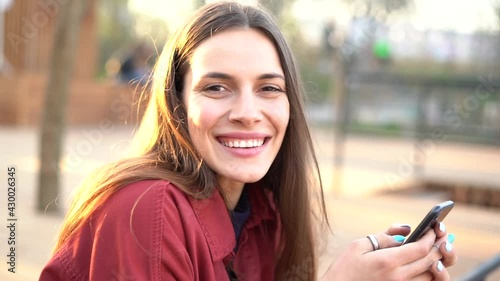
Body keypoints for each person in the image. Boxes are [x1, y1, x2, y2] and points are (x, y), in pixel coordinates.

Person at [39, 2, 457, 280]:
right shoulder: (145, 211)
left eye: (269, 88)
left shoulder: (265, 212)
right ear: (177, 103)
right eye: (217, 87)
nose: (247, 112)